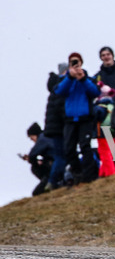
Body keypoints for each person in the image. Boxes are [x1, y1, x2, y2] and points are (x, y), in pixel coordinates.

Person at [53, 52, 99, 184]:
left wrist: (83, 79)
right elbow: (60, 91)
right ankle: (78, 174)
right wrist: (70, 77)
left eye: (77, 61)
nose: (75, 64)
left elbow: (95, 92)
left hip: (85, 118)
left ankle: (89, 177)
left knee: (85, 147)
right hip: (70, 119)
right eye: (72, 62)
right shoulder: (65, 79)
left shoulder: (88, 79)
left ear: (81, 62)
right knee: (69, 149)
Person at [43, 62, 68, 190]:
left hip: (55, 128)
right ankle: (54, 181)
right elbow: (61, 108)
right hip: (61, 128)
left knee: (60, 156)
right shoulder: (60, 88)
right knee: (62, 156)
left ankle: (56, 181)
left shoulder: (54, 88)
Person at [21, 122, 54, 196]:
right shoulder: (47, 137)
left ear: (35, 134)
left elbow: (32, 155)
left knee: (36, 193)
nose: (31, 140)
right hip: (54, 163)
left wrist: (33, 161)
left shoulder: (42, 139)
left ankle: (48, 182)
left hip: (54, 167)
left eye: (31, 137)